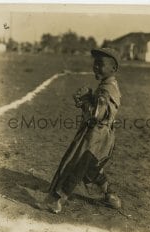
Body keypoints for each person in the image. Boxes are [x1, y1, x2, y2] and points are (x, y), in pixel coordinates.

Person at [47, 48, 121, 213]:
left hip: (95, 135)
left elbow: (96, 115)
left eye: (100, 64)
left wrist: (85, 100)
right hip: (104, 136)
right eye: (95, 63)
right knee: (91, 167)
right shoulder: (110, 85)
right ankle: (110, 196)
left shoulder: (106, 89)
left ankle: (57, 200)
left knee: (75, 164)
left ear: (113, 69)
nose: (95, 67)